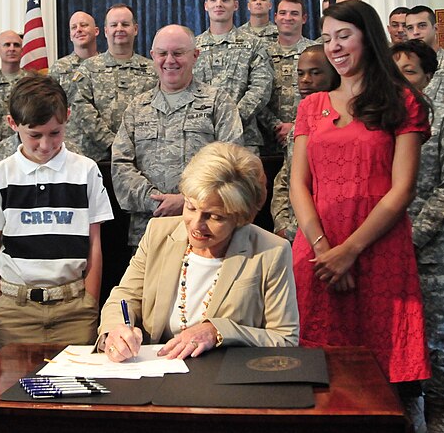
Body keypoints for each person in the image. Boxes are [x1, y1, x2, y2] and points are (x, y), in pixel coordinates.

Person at [290, 0, 431, 416]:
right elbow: (299, 185)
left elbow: (402, 189)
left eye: (344, 36)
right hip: (316, 252)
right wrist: (323, 249)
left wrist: (349, 251)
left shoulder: (403, 101)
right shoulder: (310, 106)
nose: (334, 47)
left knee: (381, 379)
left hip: (377, 248)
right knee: (318, 373)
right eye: (328, 38)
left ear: (368, 37)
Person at [99, 142, 299, 360]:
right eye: (191, 207)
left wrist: (217, 331)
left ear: (241, 217)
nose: (196, 224)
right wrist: (115, 330)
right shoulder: (159, 233)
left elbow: (285, 338)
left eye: (214, 216)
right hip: (156, 371)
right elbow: (124, 296)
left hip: (225, 379)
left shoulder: (270, 251)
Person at [0, 75, 113, 347]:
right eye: (34, 135)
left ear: (67, 117)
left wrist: (90, 302)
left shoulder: (86, 171)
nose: (46, 145)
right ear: (13, 124)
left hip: (74, 310)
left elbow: (94, 242)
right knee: (13, 386)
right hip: (15, 310)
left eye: (55, 133)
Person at [393, 39, 444, 432]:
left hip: (438, 253)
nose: (400, 78)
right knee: (398, 339)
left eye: (409, 71)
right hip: (387, 251)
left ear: (427, 77)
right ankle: (410, 416)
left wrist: (414, 234)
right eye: (393, 69)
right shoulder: (377, 121)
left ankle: (443, 415)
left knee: (438, 338)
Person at [112, 24, 243, 248]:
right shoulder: (137, 107)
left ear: (195, 55)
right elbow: (121, 165)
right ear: (153, 56)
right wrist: (155, 202)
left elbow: (232, 163)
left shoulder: (217, 102)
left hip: (206, 229)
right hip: (149, 230)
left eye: (178, 53)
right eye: (162, 53)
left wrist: (188, 202)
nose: (169, 60)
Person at [66, 4, 157, 162]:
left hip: (141, 156)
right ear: (106, 30)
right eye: (114, 25)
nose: (119, 29)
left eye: (125, 24)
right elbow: (81, 109)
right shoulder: (88, 68)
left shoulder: (152, 69)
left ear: (135, 29)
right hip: (97, 158)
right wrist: (114, 143)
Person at [269, 44, 340, 241]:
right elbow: (285, 179)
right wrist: (282, 226)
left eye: (315, 73)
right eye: (300, 74)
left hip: (328, 232)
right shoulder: (300, 122)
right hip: (294, 233)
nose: (305, 81)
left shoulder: (343, 123)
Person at [193, 0, 273, 154]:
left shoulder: (253, 44)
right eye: (213, 0)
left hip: (243, 137)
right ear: (206, 6)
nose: (219, 4)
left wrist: (232, 119)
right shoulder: (192, 47)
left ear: (235, 5)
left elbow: (262, 87)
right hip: (200, 138)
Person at [256, 0, 313, 155]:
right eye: (283, 13)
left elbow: (324, 95)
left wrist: (295, 127)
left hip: (307, 140)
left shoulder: (315, 54)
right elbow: (256, 96)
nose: (288, 18)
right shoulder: (261, 54)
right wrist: (277, 127)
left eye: (294, 13)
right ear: (275, 17)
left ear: (304, 19)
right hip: (269, 142)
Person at [50, 11, 99, 94]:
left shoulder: (108, 66)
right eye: (73, 27)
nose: (78, 30)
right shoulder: (58, 68)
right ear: (70, 36)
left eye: (84, 25)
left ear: (96, 31)